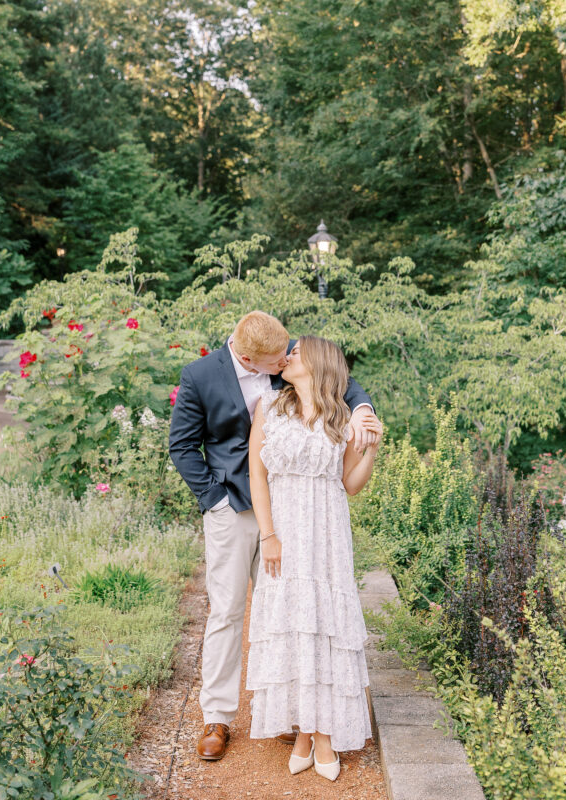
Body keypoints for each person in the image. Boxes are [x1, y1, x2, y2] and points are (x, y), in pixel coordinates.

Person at [168, 311, 377, 761]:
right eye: (278, 359)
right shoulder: (202, 375)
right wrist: (215, 499)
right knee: (227, 609)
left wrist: (362, 411)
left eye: (289, 353)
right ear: (249, 358)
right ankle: (218, 717)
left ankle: (293, 711)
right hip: (234, 507)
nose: (285, 361)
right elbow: (182, 445)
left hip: (298, 511)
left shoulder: (286, 360)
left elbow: (342, 381)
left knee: (292, 608)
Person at [246, 336, 383, 781]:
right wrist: (268, 535)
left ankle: (322, 735)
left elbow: (351, 483)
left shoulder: (341, 416)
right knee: (290, 625)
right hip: (284, 530)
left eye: (296, 351)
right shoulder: (268, 407)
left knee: (323, 626)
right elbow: (258, 477)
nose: (286, 356)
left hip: (326, 535)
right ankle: (303, 731)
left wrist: (372, 453)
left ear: (318, 362)